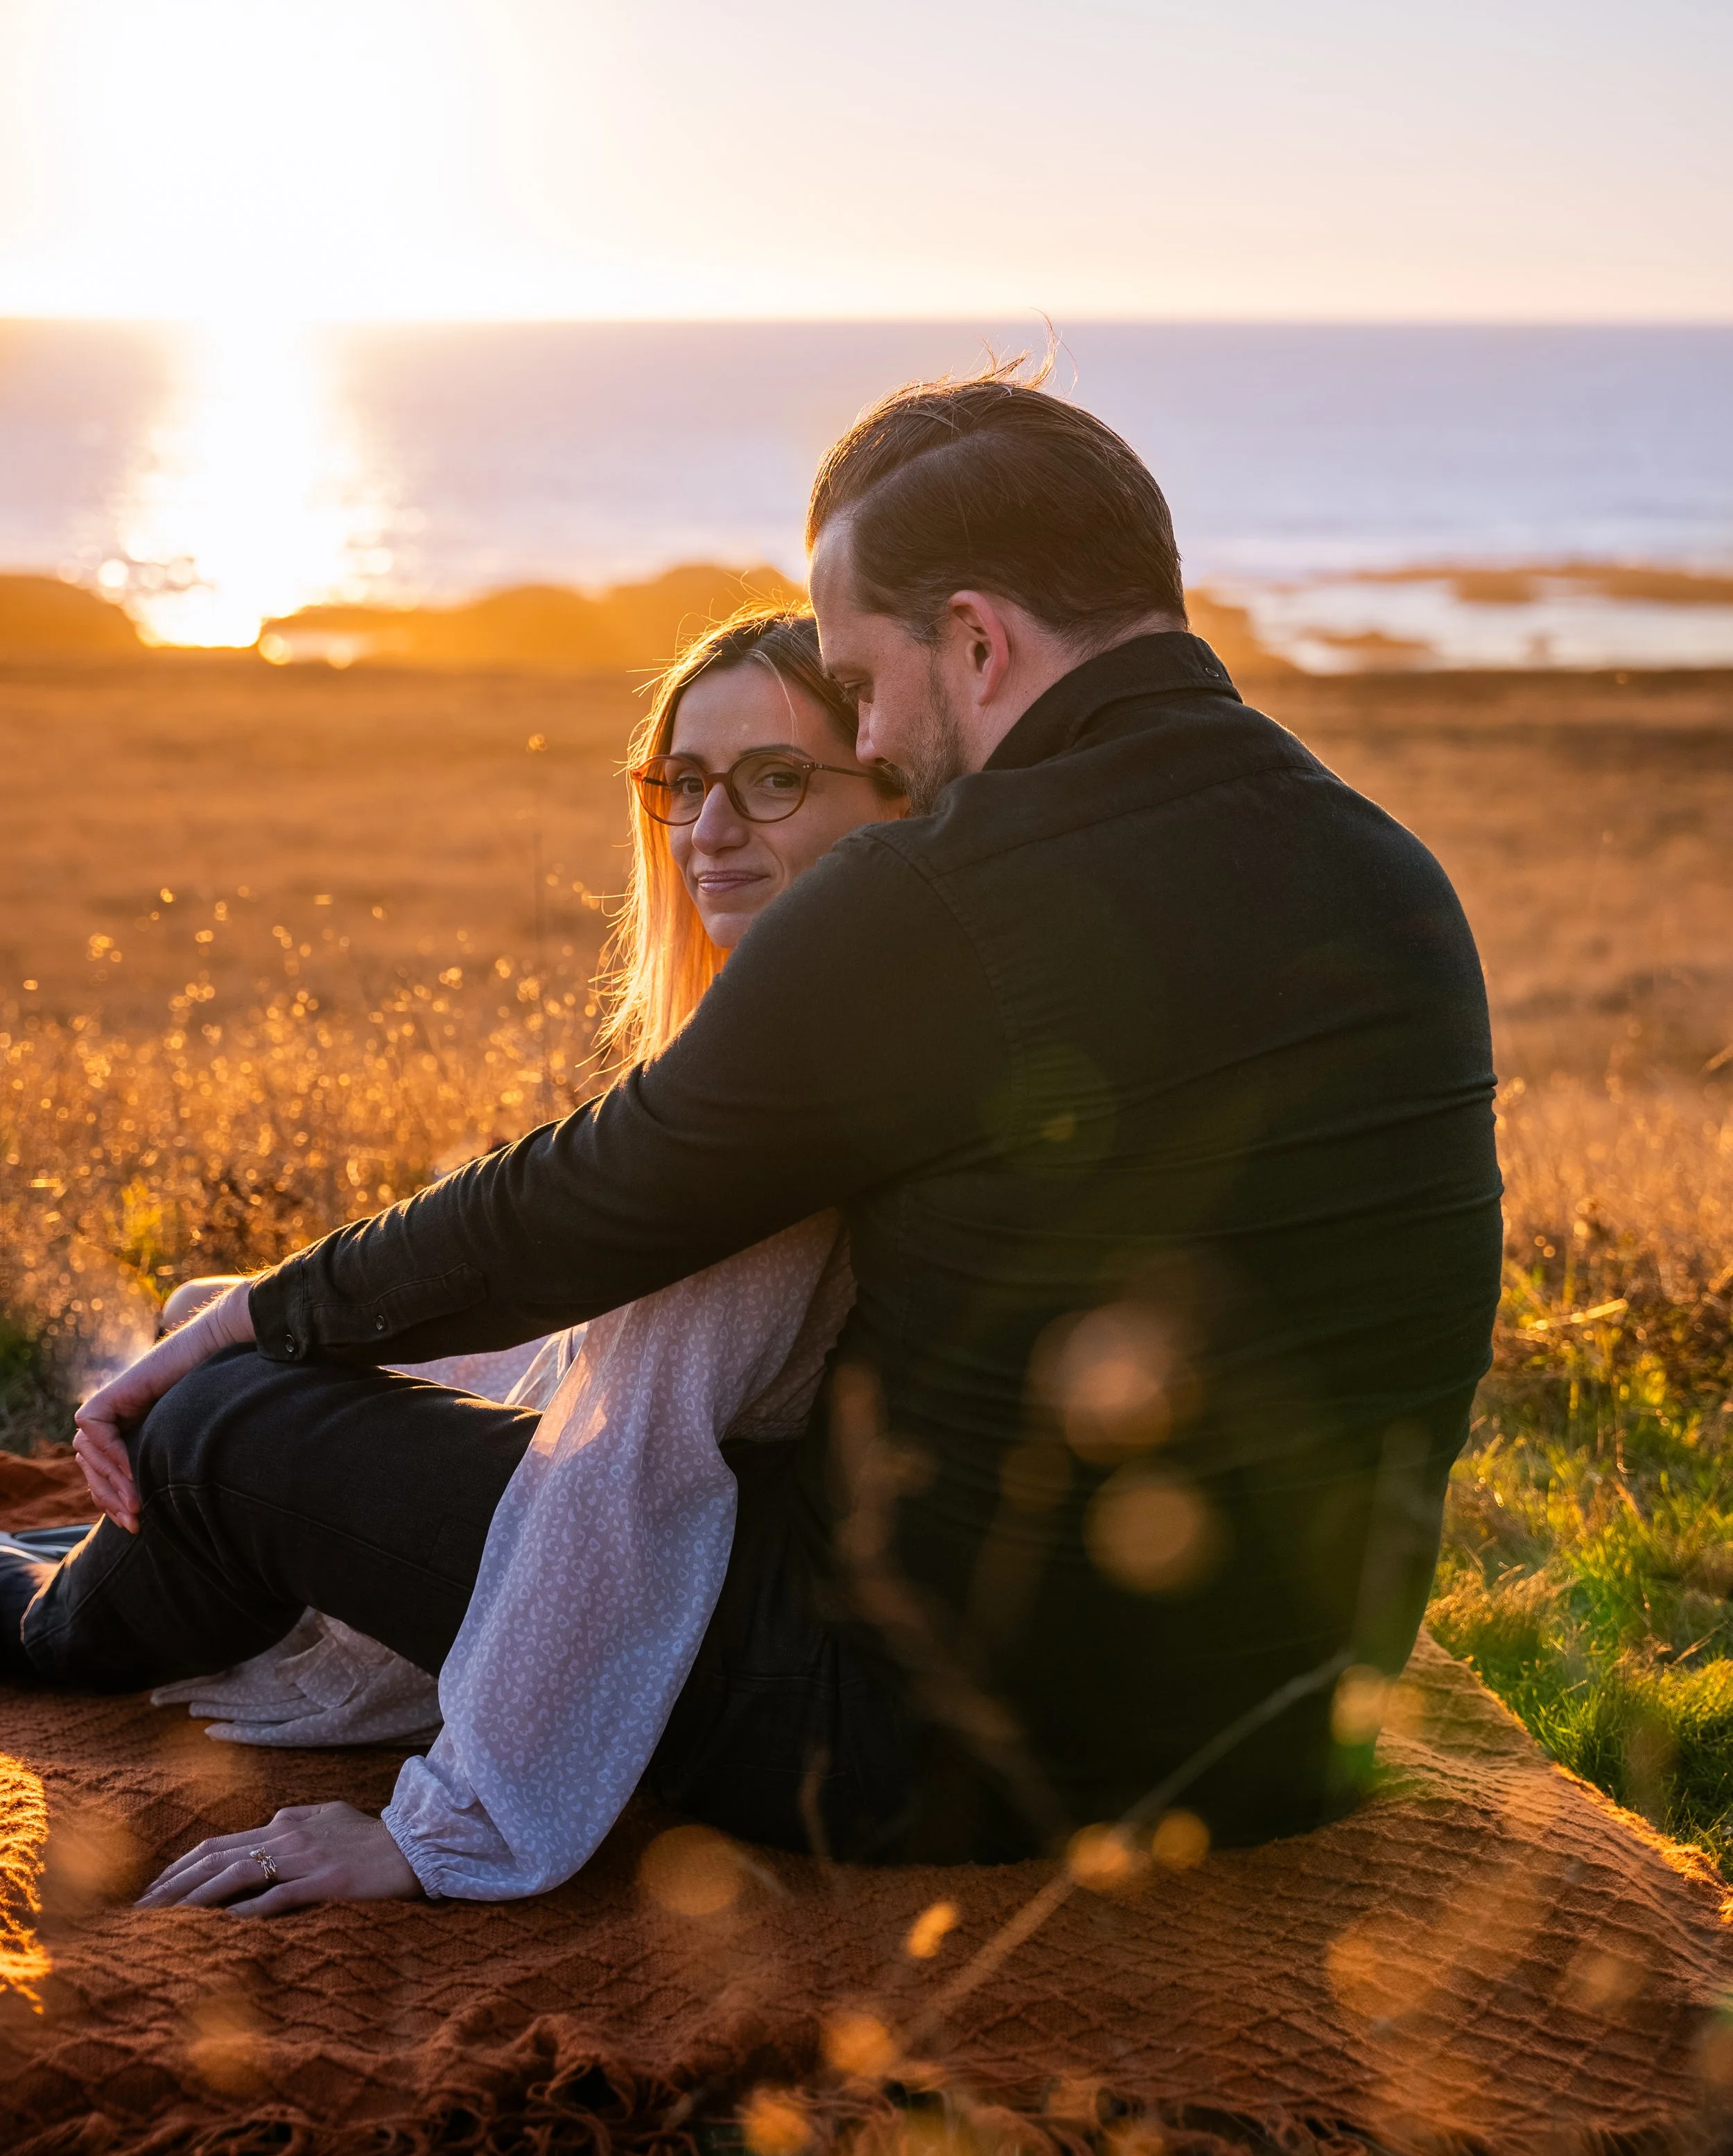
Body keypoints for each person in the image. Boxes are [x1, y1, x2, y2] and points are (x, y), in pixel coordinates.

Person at [12, 367, 1503, 1911]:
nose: (871, 732)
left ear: (977, 642)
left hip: (929, 1749)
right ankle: (78, 1596)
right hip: (1283, 1736)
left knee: (227, 1424)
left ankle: (57, 1619)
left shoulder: (939, 894)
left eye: (858, 686)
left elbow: (585, 1203)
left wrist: (266, 1312)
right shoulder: (1386, 873)